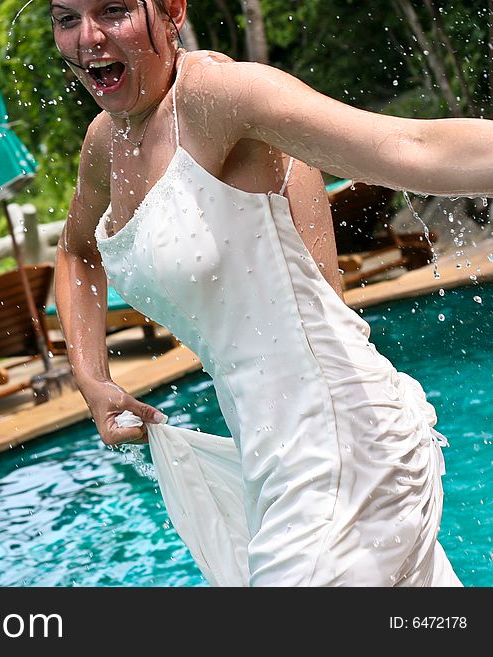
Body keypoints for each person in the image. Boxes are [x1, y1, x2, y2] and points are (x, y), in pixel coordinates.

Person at [50, 0, 489, 586]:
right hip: (269, 467)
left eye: (114, 10)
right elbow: (76, 253)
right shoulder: (108, 144)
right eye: (65, 18)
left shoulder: (220, 98)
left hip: (344, 450)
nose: (88, 37)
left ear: (174, 10)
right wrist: (93, 378)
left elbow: (412, 146)